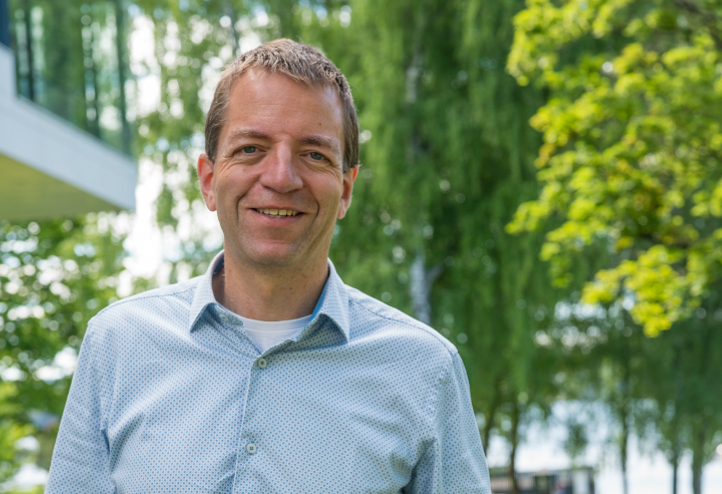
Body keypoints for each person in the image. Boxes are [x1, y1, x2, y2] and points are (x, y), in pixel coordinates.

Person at [44, 39, 490, 494]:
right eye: (251, 148)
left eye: (314, 154)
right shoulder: (118, 345)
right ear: (209, 180)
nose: (280, 177)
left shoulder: (424, 369)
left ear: (346, 189)